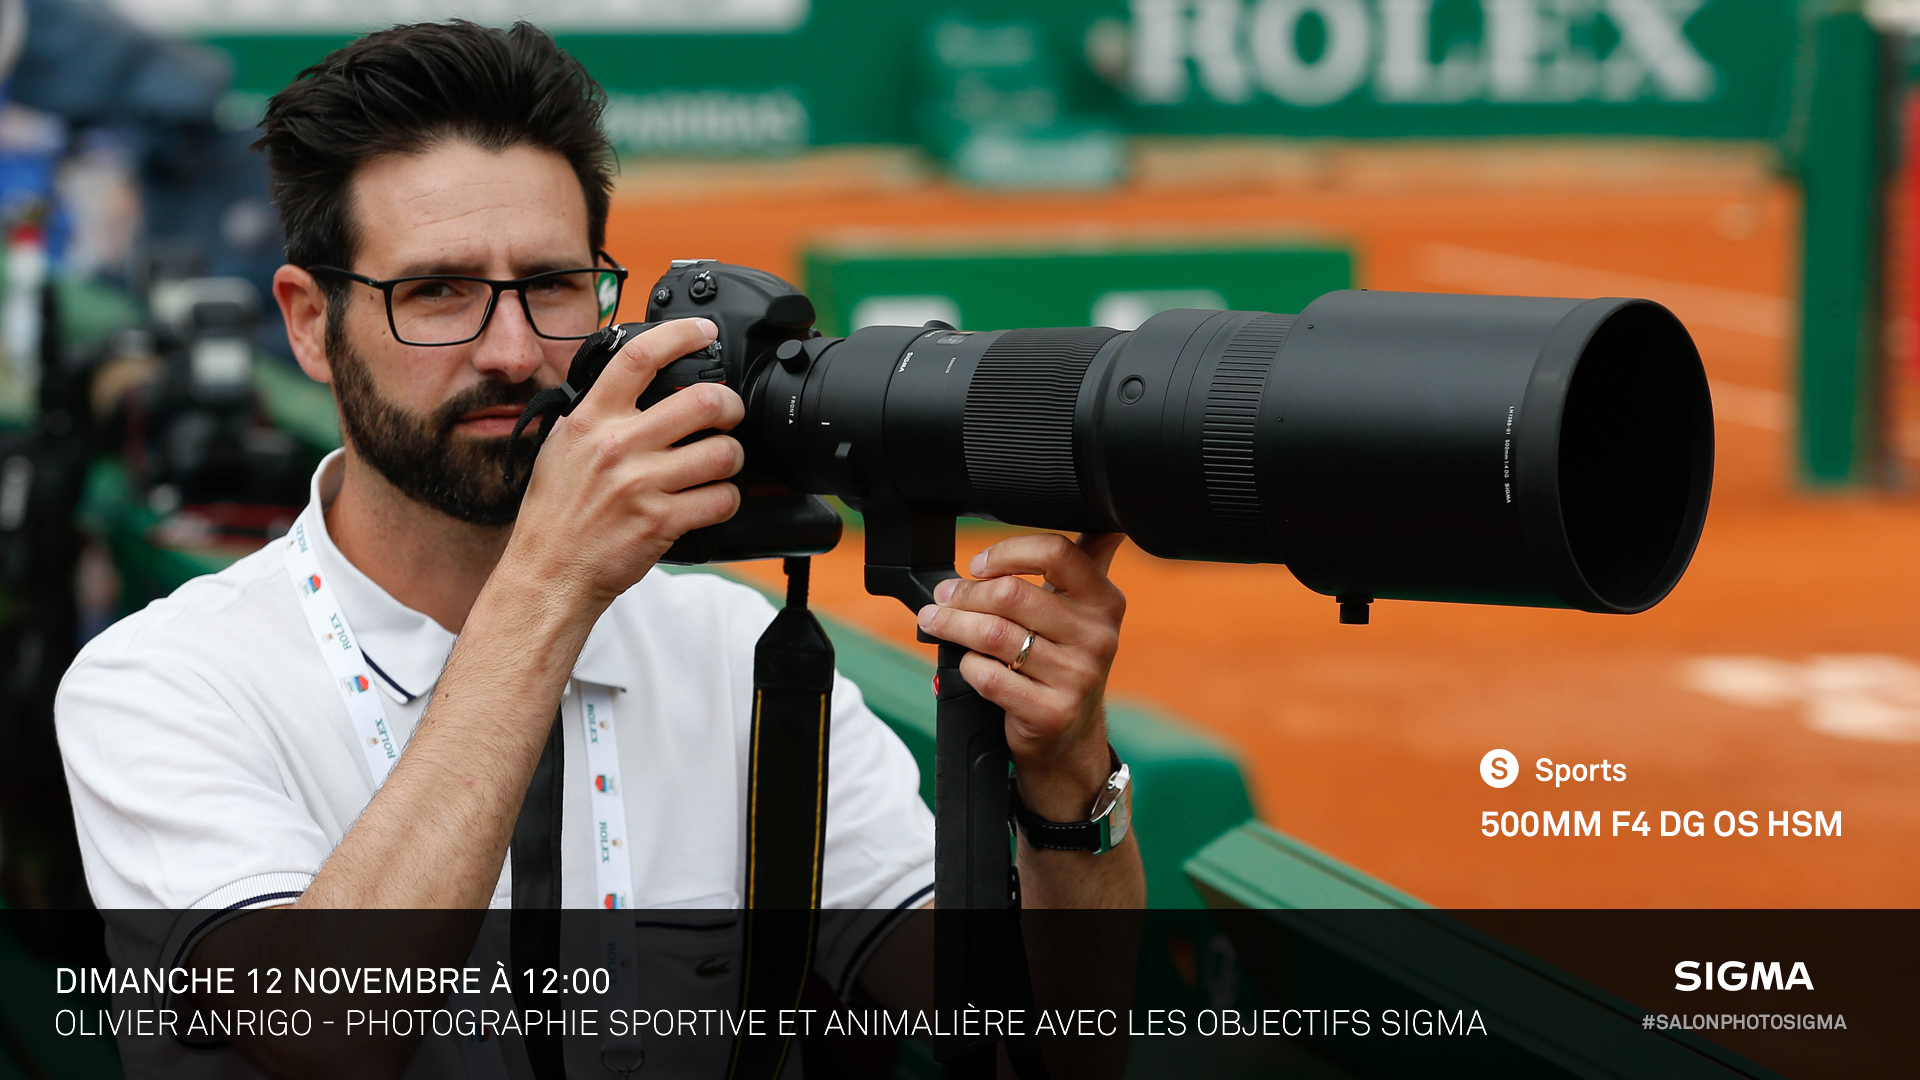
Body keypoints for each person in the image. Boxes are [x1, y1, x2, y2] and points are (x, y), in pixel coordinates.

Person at [56, 15, 1140, 982]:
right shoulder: (161, 682)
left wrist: (1067, 789)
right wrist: (550, 582)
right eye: (437, 293)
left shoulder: (732, 653)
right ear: (305, 323)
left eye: (553, 285)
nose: (515, 351)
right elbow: (324, 1032)